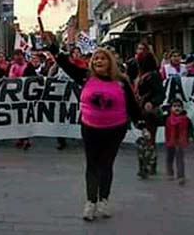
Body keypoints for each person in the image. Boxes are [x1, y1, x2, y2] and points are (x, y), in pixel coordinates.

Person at [52, 45, 144, 222]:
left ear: (110, 61)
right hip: (90, 128)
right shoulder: (86, 77)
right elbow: (67, 65)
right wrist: (54, 51)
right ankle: (91, 202)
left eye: (103, 58)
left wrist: (140, 121)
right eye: (96, 58)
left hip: (115, 129)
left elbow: (132, 104)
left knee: (107, 164)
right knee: (92, 165)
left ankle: (104, 200)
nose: (99, 61)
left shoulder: (122, 81)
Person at [134, 52, 165, 179]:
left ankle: (146, 166)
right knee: (146, 139)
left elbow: (160, 94)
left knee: (147, 139)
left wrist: (152, 102)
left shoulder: (152, 76)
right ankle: (148, 165)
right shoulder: (143, 75)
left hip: (149, 112)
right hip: (141, 111)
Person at [8, 49, 37, 150]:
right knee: (17, 117)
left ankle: (27, 138)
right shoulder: (12, 67)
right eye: (15, 56)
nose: (17, 58)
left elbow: (34, 79)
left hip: (26, 96)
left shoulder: (28, 66)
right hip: (16, 96)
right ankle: (20, 137)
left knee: (26, 117)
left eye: (19, 56)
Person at [164, 98, 193, 186]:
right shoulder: (168, 119)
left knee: (180, 158)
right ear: (171, 108)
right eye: (174, 106)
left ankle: (181, 176)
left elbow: (190, 129)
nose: (177, 108)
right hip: (170, 141)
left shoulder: (186, 119)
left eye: (179, 106)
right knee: (170, 157)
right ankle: (170, 172)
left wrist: (190, 136)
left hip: (180, 141)